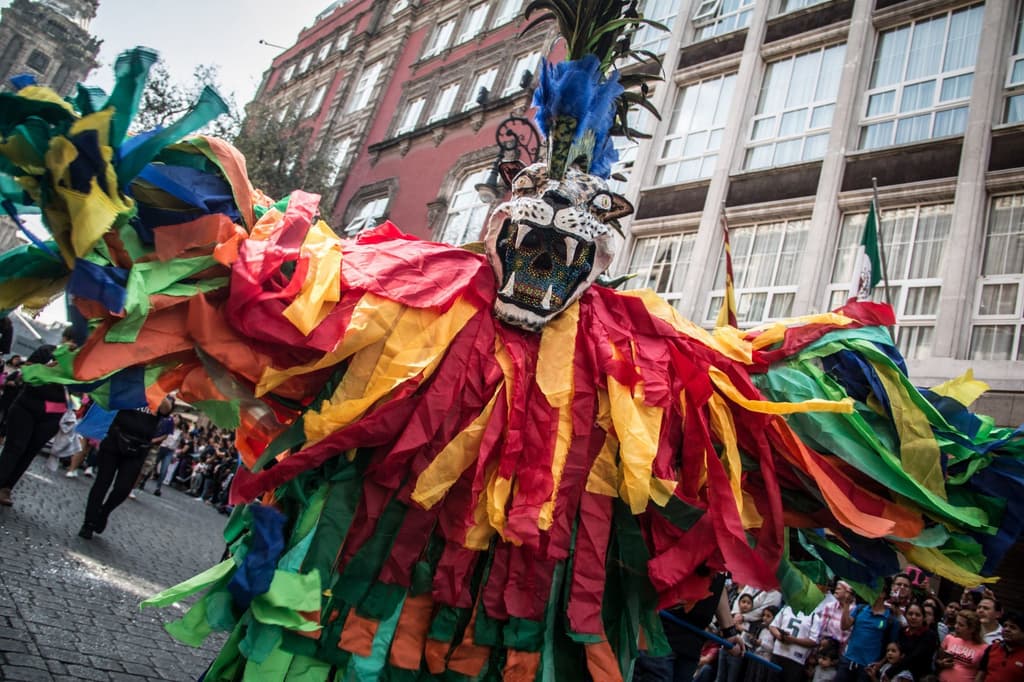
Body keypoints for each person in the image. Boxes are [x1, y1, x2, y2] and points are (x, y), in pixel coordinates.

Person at [78, 397, 175, 539]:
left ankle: (104, 512)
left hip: (139, 447)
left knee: (123, 489)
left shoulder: (158, 395)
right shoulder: (132, 384)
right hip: (115, 438)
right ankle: (88, 523)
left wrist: (160, 392)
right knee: (102, 483)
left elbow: (166, 409)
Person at [0, 345, 66, 507]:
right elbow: (25, 373)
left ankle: (7, 488)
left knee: (29, 452)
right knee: (15, 447)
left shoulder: (82, 360)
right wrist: (46, 368)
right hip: (27, 405)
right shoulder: (47, 350)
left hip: (53, 413)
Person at [836, 578, 901, 682]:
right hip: (848, 661)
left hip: (867, 668)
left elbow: (892, 646)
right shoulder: (860, 609)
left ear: (883, 594)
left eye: (874, 589)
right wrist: (846, 604)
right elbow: (844, 626)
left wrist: (880, 663)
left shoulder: (891, 620)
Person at [769, 604, 822, 682]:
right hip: (778, 653)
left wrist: (793, 640)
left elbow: (814, 641)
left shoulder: (814, 616)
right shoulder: (786, 608)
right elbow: (772, 626)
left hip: (796, 659)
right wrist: (780, 636)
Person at [937, 610, 987, 682]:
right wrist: (942, 663)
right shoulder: (949, 638)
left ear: (972, 629)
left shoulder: (984, 648)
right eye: (956, 623)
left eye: (961, 625)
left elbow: (982, 673)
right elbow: (938, 659)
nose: (956, 626)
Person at [977, 610, 1024, 682]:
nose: (1006, 629)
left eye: (1013, 627)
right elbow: (980, 675)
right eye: (1005, 626)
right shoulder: (992, 648)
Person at [898, 601, 940, 679]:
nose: (913, 617)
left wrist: (891, 671)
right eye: (910, 614)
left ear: (923, 618)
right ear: (905, 615)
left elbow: (915, 656)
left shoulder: (929, 635)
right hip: (900, 674)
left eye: (918, 615)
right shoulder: (902, 631)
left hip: (920, 677)